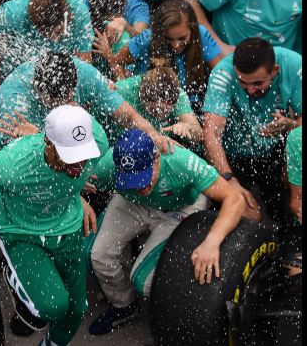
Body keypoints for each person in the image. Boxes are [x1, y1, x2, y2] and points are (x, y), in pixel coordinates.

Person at [0, 105, 105, 346]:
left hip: (67, 228)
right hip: (21, 232)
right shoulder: (13, 164)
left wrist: (76, 191)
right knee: (53, 307)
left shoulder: (96, 144)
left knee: (76, 310)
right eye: (71, 157)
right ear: (48, 144)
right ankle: (11, 271)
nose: (79, 165)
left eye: (83, 155)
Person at [86, 129, 244, 336]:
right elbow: (69, 178)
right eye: (131, 181)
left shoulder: (181, 161)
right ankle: (124, 306)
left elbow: (235, 199)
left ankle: (179, 317)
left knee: (144, 282)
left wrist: (212, 241)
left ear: (157, 157)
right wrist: (79, 198)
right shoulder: (106, 167)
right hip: (134, 205)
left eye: (144, 177)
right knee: (98, 255)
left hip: (179, 208)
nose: (141, 186)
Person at [0, 51, 179, 159]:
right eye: (56, 103)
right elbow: (23, 161)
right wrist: (39, 138)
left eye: (68, 97)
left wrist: (154, 135)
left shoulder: (85, 73)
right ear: (38, 91)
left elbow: (127, 116)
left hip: (47, 145)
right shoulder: (16, 104)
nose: (64, 105)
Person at [203, 37, 301, 226]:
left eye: (257, 83)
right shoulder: (223, 74)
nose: (250, 90)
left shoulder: (294, 64)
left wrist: (290, 125)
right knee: (247, 215)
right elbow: (211, 134)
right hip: (231, 156)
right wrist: (229, 180)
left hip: (276, 151)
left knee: (288, 212)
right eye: (243, 83)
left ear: (274, 71)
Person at [95, 0, 224, 114]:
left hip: (188, 105)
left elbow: (221, 75)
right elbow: (116, 62)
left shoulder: (201, 36)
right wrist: (125, 97)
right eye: (169, 39)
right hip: (151, 106)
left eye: (182, 38)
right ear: (159, 34)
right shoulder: (147, 39)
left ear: (193, 30)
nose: (175, 45)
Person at [0, 0, 94, 82]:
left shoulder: (79, 11)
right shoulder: (14, 11)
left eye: (58, 31)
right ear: (33, 22)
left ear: (66, 18)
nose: (54, 39)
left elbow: (84, 65)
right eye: (45, 33)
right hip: (15, 75)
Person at [108, 64, 202, 147]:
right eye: (155, 110)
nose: (160, 116)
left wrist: (187, 127)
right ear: (142, 97)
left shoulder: (177, 95)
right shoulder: (123, 90)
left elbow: (199, 134)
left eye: (165, 112)